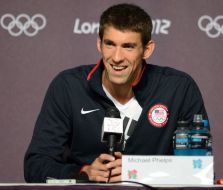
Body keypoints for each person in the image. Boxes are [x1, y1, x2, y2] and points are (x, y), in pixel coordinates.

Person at [24, 3, 209, 183]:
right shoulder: (68, 86)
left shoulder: (178, 88)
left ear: (147, 49)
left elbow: (200, 169)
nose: (117, 58)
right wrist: (83, 172)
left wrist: (138, 171)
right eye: (110, 44)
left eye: (128, 46)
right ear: (99, 43)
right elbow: (35, 165)